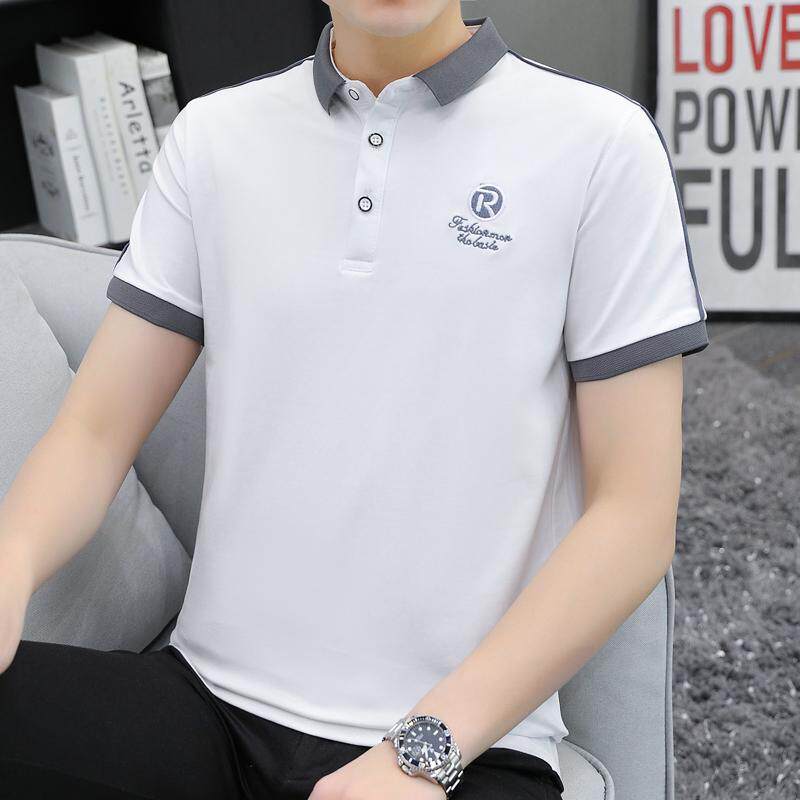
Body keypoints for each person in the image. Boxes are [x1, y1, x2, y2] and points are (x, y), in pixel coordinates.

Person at [0, 1, 709, 798]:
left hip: (466, 749)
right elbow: (94, 432)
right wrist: (10, 565)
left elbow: (633, 518)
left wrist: (422, 752)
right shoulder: (213, 137)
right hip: (206, 703)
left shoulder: (602, 146)